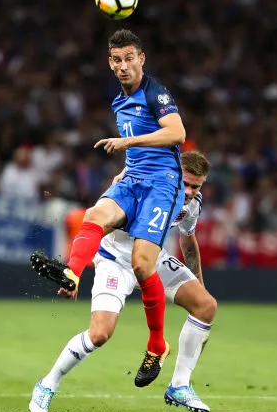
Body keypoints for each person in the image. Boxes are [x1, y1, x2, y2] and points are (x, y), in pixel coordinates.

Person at [31, 29, 187, 386]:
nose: (123, 66)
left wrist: (127, 141)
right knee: (93, 215)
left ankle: (157, 345)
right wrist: (124, 168)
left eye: (129, 58)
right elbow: (139, 154)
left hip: (163, 185)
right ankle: (72, 273)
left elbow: (176, 133)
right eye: (116, 60)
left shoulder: (155, 92)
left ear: (141, 59)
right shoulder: (119, 101)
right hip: (133, 178)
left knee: (142, 264)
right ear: (110, 63)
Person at [29, 151, 216, 412]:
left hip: (155, 260)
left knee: (206, 306)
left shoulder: (192, 203)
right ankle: (48, 384)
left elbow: (187, 239)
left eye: (195, 186)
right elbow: (98, 225)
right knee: (99, 335)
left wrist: (199, 284)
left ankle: (179, 386)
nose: (188, 191)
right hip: (114, 261)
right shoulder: (139, 185)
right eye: (185, 183)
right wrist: (75, 271)